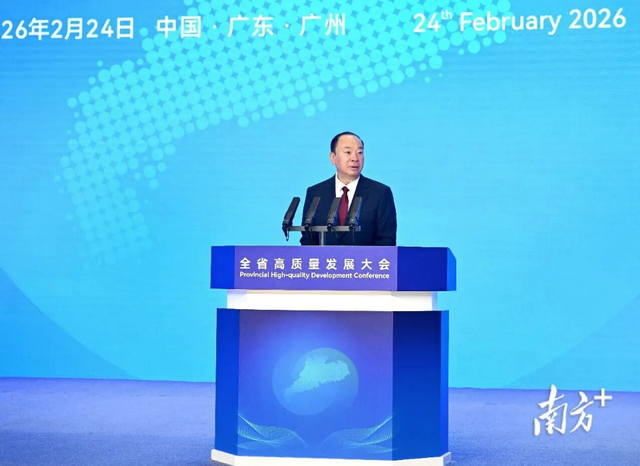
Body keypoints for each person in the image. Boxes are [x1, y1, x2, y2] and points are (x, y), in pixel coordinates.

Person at [300, 132, 397, 246]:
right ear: (333, 157)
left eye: (359, 152)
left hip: (366, 258)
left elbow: (386, 240)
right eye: (348, 152)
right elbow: (308, 238)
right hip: (324, 258)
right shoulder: (316, 193)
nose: (355, 158)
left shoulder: (380, 193)